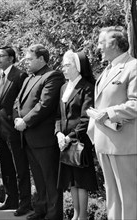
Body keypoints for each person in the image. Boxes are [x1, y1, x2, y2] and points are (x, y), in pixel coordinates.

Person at [87, 26, 137, 220]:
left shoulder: (133, 67)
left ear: (115, 44)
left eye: (101, 42)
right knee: (113, 197)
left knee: (129, 197)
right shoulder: (107, 70)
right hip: (104, 143)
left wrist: (108, 113)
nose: (98, 47)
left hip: (124, 145)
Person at [14, 44, 65, 220]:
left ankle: (53, 215)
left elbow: (44, 104)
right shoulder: (29, 78)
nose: (25, 62)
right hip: (28, 137)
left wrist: (25, 122)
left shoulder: (53, 76)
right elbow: (18, 102)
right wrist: (17, 118)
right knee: (38, 178)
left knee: (50, 180)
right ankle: (41, 209)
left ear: (41, 59)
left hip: (43, 138)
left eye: (29, 59)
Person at [55, 50, 98, 220]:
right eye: (63, 65)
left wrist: (69, 137)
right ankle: (75, 215)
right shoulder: (64, 87)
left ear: (78, 67)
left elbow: (86, 118)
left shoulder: (87, 87)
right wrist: (58, 133)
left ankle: (83, 216)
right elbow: (58, 115)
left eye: (67, 65)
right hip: (64, 142)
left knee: (81, 182)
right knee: (71, 181)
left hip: (79, 141)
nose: (63, 69)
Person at [0, 46, 32, 217]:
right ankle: (11, 199)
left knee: (20, 167)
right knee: (6, 167)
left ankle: (25, 203)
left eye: (1, 56)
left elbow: (23, 101)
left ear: (11, 58)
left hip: (14, 129)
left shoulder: (20, 75)